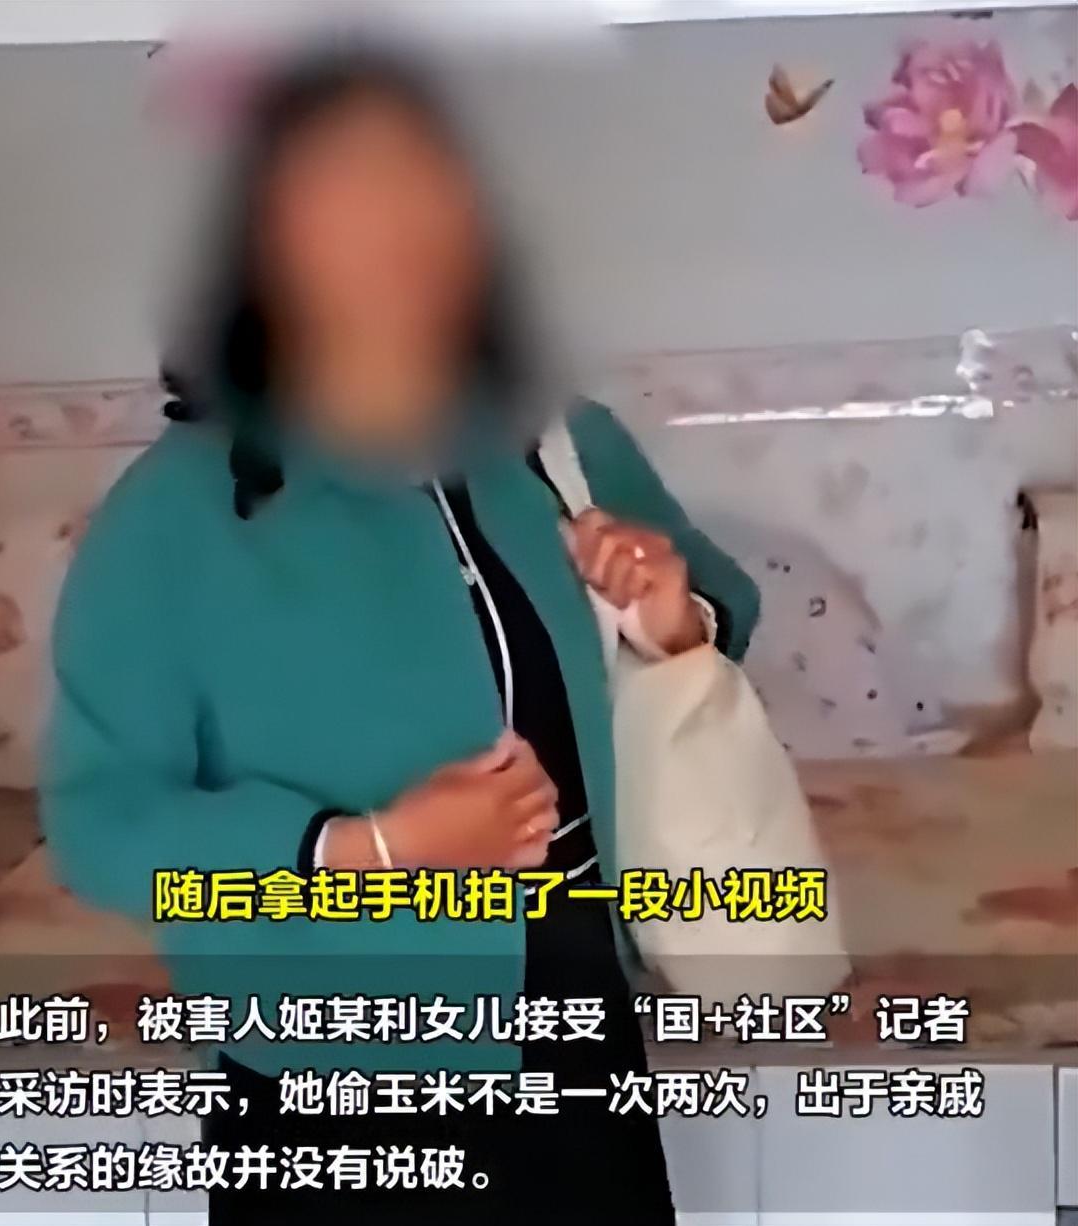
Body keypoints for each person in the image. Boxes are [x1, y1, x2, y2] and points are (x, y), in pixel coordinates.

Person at [42, 43, 760, 1226]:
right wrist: (361, 849)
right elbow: (101, 826)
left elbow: (723, 611)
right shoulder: (176, 514)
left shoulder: (560, 442)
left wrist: (676, 615)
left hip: (576, 1027)